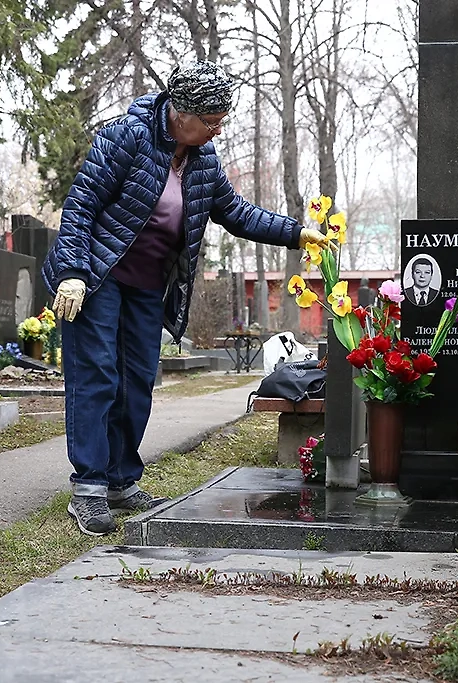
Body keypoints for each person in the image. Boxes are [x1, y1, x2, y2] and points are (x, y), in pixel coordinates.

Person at [41, 61, 334, 536]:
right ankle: (90, 489)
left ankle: (121, 481)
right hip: (96, 279)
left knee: (136, 383)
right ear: (181, 113)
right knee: (96, 377)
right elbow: (80, 206)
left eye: (222, 119)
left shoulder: (203, 162)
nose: (218, 128)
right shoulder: (125, 138)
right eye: (212, 120)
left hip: (145, 287)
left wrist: (298, 234)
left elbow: (238, 213)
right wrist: (72, 273)